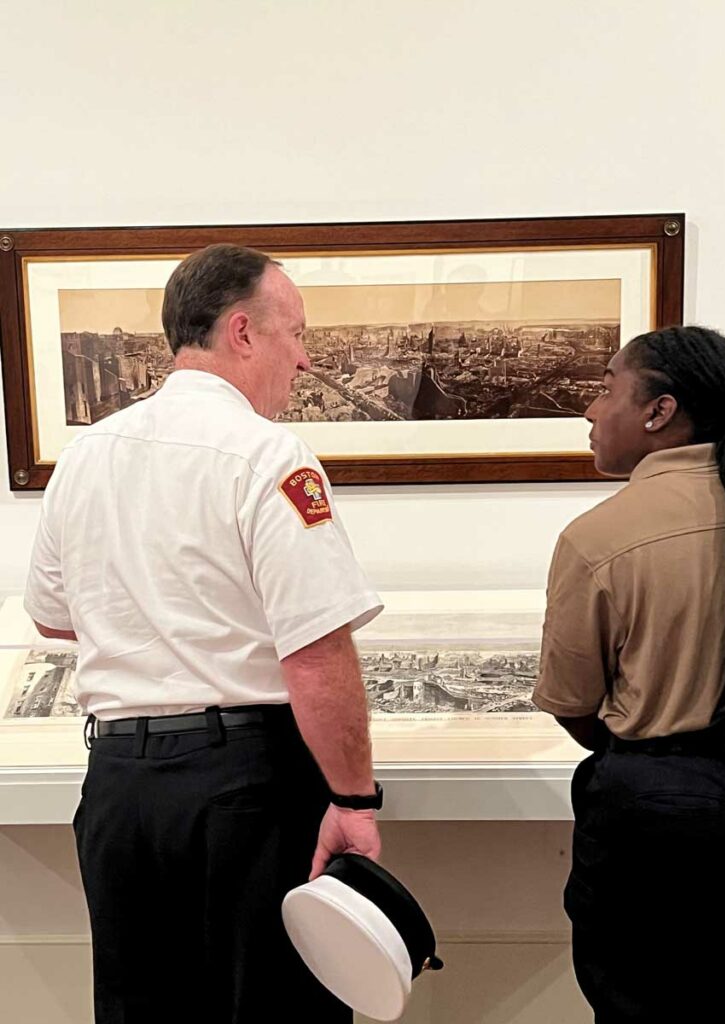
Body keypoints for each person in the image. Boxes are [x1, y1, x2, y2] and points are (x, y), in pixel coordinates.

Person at [23, 244, 384, 1024]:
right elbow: (317, 647)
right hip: (244, 783)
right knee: (274, 1007)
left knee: (141, 1007)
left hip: (119, 782)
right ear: (244, 333)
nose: (306, 355)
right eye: (296, 333)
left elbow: (51, 615)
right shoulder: (268, 454)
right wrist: (356, 799)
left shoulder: (87, 453)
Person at [533, 325, 725, 1023]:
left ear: (659, 413)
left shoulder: (600, 537)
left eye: (606, 389)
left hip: (654, 820)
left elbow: (573, 704)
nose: (590, 410)